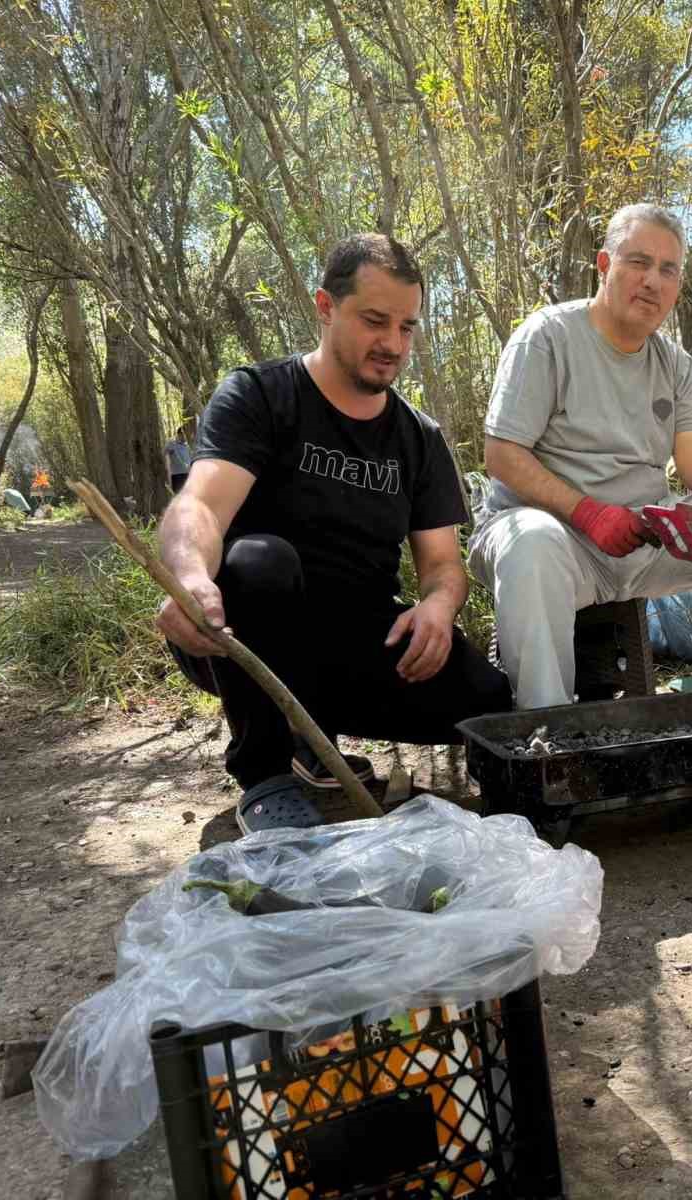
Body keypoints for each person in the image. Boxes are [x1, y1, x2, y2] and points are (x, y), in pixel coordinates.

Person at [156, 234, 512, 829]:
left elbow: (443, 566)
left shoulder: (419, 438)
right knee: (260, 561)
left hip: (356, 645)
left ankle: (309, 732)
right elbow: (201, 507)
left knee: (487, 700)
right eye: (376, 322)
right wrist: (190, 577)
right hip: (243, 636)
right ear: (325, 307)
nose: (393, 344)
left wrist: (437, 609)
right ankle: (265, 774)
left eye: (406, 327)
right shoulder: (259, 396)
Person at [470, 203, 692, 709]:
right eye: (638, 262)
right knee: (532, 544)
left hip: (642, 542)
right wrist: (589, 512)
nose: (652, 281)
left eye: (668, 270)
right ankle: (546, 735)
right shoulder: (547, 337)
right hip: (555, 540)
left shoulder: (674, 362)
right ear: (605, 266)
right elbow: (501, 454)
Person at [164, 422, 194, 494]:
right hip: (177, 475)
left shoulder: (187, 446)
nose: (185, 437)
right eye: (183, 434)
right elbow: (164, 453)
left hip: (187, 474)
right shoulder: (172, 444)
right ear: (179, 434)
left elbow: (190, 459)